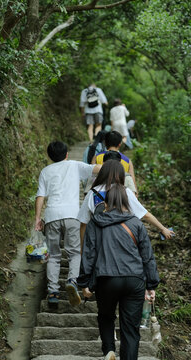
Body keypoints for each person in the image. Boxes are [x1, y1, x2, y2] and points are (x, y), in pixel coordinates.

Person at [77, 182, 160, 360]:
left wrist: (84, 284)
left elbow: (88, 254)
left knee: (106, 316)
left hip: (106, 279)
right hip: (134, 280)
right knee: (130, 329)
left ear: (105, 203)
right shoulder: (136, 224)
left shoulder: (95, 223)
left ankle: (109, 351)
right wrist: (151, 284)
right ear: (126, 202)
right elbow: (147, 256)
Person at [35, 141, 101, 306]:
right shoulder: (74, 165)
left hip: (51, 216)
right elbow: (98, 170)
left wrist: (37, 218)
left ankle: (53, 292)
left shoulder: (45, 171)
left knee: (53, 256)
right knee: (74, 252)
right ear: (66, 154)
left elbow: (40, 196)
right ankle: (72, 280)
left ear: (50, 156)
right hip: (72, 214)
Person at [78, 160, 175, 250]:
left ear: (102, 173)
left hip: (99, 239)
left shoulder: (92, 193)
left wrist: (83, 249)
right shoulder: (125, 191)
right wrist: (162, 229)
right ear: (120, 174)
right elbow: (145, 215)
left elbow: (83, 223)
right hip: (121, 238)